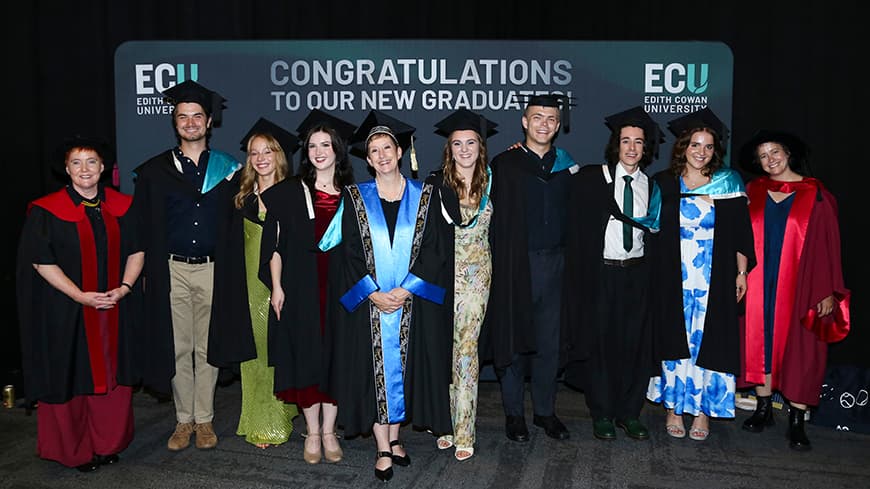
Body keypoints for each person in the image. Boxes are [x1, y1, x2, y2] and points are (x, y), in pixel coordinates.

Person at [319, 110, 451, 482]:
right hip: (371, 305)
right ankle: (381, 445)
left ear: (400, 150)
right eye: (374, 150)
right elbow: (347, 256)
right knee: (373, 369)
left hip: (411, 301)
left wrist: (407, 288)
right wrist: (373, 293)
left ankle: (395, 439)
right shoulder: (355, 198)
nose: (381, 155)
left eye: (387, 148)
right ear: (368, 157)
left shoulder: (424, 196)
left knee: (404, 372)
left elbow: (435, 249)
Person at [16, 136, 144, 472]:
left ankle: (107, 444)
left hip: (114, 307)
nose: (84, 169)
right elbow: (41, 261)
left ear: (104, 168)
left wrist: (124, 288)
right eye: (76, 162)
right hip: (67, 310)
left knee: (112, 375)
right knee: (70, 375)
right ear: (66, 169)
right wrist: (80, 296)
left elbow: (137, 250)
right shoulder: (46, 211)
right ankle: (75, 451)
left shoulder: (123, 206)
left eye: (91, 162)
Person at [130, 80, 241, 451]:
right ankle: (183, 420)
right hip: (172, 269)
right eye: (183, 117)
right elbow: (141, 227)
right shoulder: (153, 172)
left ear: (209, 122)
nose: (190, 122)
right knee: (179, 346)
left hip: (214, 269)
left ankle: (205, 420)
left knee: (207, 347)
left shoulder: (229, 170)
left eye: (197, 116)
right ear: (174, 122)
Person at [645, 108, 756, 442]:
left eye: (708, 146)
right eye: (695, 145)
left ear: (714, 151)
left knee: (708, 342)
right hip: (673, 278)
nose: (701, 152)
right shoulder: (664, 183)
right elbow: (650, 231)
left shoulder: (728, 182)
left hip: (714, 277)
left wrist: (741, 273)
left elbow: (739, 234)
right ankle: (674, 408)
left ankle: (703, 411)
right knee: (675, 340)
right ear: (683, 147)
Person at [738, 129, 850, 451]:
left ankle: (797, 420)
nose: (769, 160)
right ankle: (763, 408)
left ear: (788, 153)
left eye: (775, 152)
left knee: (801, 347)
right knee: (761, 340)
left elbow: (830, 247)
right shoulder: (754, 190)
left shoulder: (816, 195)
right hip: (761, 280)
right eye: (763, 156)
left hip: (802, 284)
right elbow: (742, 236)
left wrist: (826, 290)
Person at [258, 109, 356, 464]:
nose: (318, 151)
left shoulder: (354, 195)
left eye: (325, 144)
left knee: (336, 357)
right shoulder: (289, 192)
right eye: (312, 145)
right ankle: (312, 432)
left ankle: (330, 430)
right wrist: (278, 287)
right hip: (300, 289)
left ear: (337, 150)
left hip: (341, 289)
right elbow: (274, 245)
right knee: (307, 358)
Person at [560, 106, 662, 441]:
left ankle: (629, 414)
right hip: (603, 273)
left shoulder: (654, 187)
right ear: (615, 145)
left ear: (646, 148)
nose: (632, 148)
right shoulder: (594, 179)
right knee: (601, 346)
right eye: (625, 141)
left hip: (639, 275)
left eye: (638, 142)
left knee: (635, 346)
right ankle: (602, 413)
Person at [485, 93, 576, 443]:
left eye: (551, 119)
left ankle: (544, 412)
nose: (544, 124)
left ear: (557, 125)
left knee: (549, 344)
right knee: (515, 340)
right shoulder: (504, 165)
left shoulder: (567, 167)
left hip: (556, 265)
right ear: (525, 121)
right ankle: (513, 414)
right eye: (537, 117)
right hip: (515, 265)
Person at [207, 118, 302, 449]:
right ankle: (255, 418)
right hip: (245, 283)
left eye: (268, 151)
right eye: (254, 152)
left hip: (279, 282)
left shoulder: (294, 191)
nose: (261, 158)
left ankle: (276, 418)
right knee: (253, 352)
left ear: (279, 155)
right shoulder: (240, 194)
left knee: (276, 350)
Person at [424, 108, 497, 461]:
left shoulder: (495, 182)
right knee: (445, 350)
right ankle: (445, 424)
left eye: (470, 143)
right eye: (457, 144)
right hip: (442, 277)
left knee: (466, 351)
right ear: (449, 148)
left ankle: (465, 429)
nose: (464, 149)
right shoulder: (436, 184)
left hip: (477, 278)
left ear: (480, 147)